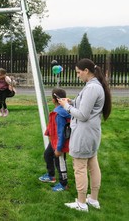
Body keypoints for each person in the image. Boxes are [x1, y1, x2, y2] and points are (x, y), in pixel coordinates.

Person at [58, 58, 112, 212]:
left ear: (86, 71)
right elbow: (85, 105)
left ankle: (81, 203)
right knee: (93, 165)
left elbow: (83, 115)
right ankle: (93, 199)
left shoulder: (91, 88)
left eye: (78, 72)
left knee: (80, 167)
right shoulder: (94, 86)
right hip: (92, 133)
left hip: (84, 134)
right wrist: (72, 101)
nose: (78, 75)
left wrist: (66, 106)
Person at [39, 88, 71, 192]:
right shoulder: (56, 112)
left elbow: (61, 133)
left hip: (59, 144)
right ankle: (51, 175)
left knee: (60, 162)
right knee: (47, 155)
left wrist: (59, 148)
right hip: (53, 141)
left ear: (53, 100)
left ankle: (63, 184)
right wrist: (48, 131)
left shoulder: (60, 114)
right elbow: (52, 125)